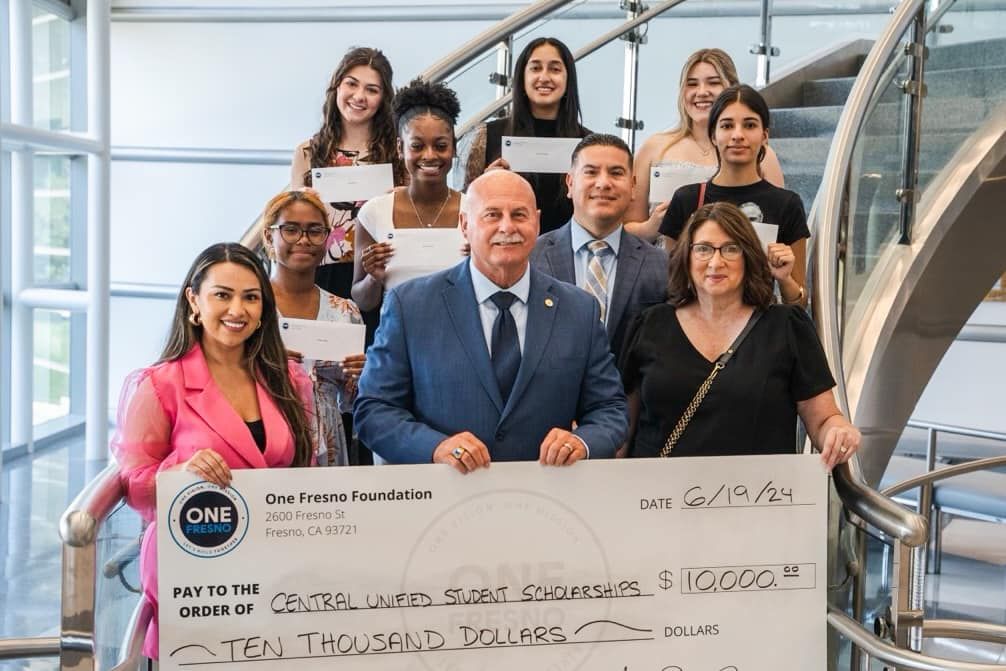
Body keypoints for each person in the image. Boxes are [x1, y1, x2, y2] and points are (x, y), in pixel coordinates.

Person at [110, 243, 314, 659]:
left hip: (275, 572)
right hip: (196, 570)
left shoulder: (290, 380)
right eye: (222, 294)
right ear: (194, 301)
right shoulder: (158, 384)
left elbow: (303, 473)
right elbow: (133, 485)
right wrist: (180, 470)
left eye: (250, 297)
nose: (237, 310)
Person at [354, 170, 628, 470]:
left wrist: (582, 442)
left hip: (547, 503)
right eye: (492, 215)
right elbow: (375, 410)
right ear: (465, 225)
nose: (507, 227)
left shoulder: (579, 310)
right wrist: (435, 447)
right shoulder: (411, 306)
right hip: (444, 501)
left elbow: (609, 409)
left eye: (519, 215)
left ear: (536, 222)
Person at [620, 201, 860, 466]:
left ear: (749, 257)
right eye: (703, 249)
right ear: (686, 257)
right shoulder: (650, 324)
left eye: (731, 249)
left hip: (755, 497)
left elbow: (823, 419)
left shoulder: (786, 327)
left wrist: (839, 431)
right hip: (658, 498)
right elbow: (623, 425)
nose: (716, 261)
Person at [659, 84, 808, 306]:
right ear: (713, 135)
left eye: (749, 125)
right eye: (727, 125)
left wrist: (784, 278)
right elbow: (673, 285)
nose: (738, 135)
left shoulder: (786, 204)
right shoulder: (686, 200)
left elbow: (798, 302)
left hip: (758, 330)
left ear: (764, 135)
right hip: (697, 328)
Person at [625, 49, 784, 244]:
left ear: (732, 88)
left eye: (713, 82)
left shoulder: (761, 153)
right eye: (692, 84)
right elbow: (624, 227)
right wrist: (650, 228)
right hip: (662, 267)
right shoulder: (654, 147)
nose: (701, 92)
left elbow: (776, 228)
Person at [531, 133, 667, 359]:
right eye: (591, 172)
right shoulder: (531, 258)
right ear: (570, 183)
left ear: (633, 187)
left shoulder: (661, 265)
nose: (603, 183)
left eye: (616, 173)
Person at [261, 189, 366, 466]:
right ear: (268, 237)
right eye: (291, 230)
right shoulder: (253, 307)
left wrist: (361, 376)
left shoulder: (345, 311)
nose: (304, 240)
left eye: (315, 231)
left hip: (329, 448)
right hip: (266, 441)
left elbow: (351, 403)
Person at [291, 47, 402, 304]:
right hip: (320, 276)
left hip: (378, 276)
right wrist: (299, 205)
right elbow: (292, 225)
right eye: (352, 84)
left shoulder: (397, 153)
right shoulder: (307, 152)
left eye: (372, 90)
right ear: (337, 87)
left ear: (383, 98)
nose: (359, 96)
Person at [352, 78, 465, 313]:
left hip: (462, 342)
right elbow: (363, 301)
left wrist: (485, 266)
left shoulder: (474, 210)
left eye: (441, 145)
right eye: (417, 146)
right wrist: (374, 277)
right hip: (397, 343)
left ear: (453, 147)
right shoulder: (374, 213)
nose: (430, 155)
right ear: (400, 149)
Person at [463, 37, 590, 235]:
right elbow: (466, 207)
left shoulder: (588, 144)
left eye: (555, 69)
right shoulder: (487, 135)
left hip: (568, 256)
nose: (545, 77)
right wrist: (486, 184)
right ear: (522, 77)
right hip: (504, 248)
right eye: (535, 68)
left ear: (568, 79)